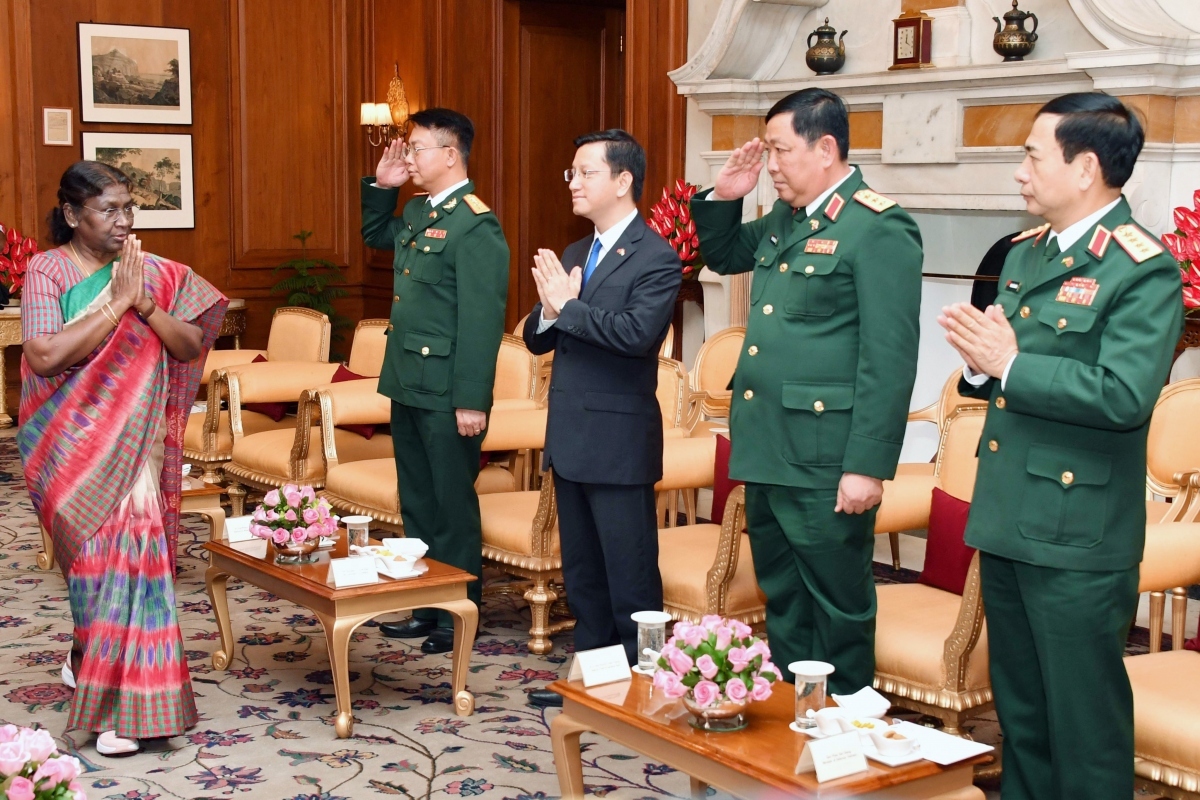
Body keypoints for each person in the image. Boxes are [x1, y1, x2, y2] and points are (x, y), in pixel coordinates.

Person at [938, 92, 1183, 800]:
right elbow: (1011, 372)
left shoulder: (1142, 269)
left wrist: (1011, 363)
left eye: (1032, 155)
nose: (1020, 171)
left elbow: (1123, 396)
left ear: (1085, 169)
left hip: (1077, 535)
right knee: (1024, 719)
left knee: (1083, 727)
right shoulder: (1027, 253)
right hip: (1012, 517)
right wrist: (984, 367)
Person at [690, 88, 922, 694]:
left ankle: (844, 737)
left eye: (779, 151)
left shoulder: (878, 228)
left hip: (826, 457)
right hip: (769, 446)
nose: (770, 165)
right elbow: (722, 253)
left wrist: (867, 466)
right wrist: (724, 199)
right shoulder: (787, 218)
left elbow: (889, 358)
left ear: (825, 148)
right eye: (767, 151)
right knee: (784, 596)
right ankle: (798, 727)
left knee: (838, 605)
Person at [19, 161, 227, 756]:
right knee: (93, 581)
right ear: (71, 215)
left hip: (134, 452)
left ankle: (132, 711)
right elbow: (43, 354)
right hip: (72, 451)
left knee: (138, 573)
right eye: (108, 209)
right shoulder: (49, 270)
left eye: (128, 208)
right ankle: (96, 674)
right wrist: (114, 305)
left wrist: (143, 305)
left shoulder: (152, 272)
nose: (123, 220)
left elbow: (192, 344)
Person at [522, 130, 681, 708]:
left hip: (618, 441)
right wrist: (547, 310)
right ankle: (594, 680)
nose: (573, 182)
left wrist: (570, 308)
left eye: (585, 172)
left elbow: (637, 337)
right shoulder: (572, 253)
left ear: (622, 181)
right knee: (584, 573)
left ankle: (644, 690)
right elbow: (535, 338)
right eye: (571, 172)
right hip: (569, 436)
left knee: (630, 574)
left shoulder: (656, 258)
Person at [362, 108, 510, 654]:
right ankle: (426, 603)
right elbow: (375, 234)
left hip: (449, 391)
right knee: (418, 501)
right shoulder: (421, 210)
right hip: (407, 380)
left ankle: (457, 613)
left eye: (417, 148)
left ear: (451, 154)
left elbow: (481, 320)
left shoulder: (476, 224)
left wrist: (471, 400)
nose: (410, 157)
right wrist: (383, 186)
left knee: (452, 505)